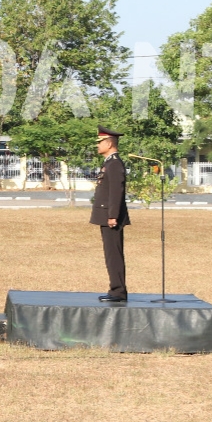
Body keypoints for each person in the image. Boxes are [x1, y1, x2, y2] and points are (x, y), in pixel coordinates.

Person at [90, 126, 130, 302]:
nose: (97, 146)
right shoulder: (109, 163)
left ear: (108, 143)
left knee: (113, 254)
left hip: (111, 217)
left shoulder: (114, 164)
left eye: (100, 143)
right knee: (110, 253)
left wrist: (113, 215)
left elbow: (116, 192)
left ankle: (118, 291)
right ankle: (116, 289)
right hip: (106, 215)